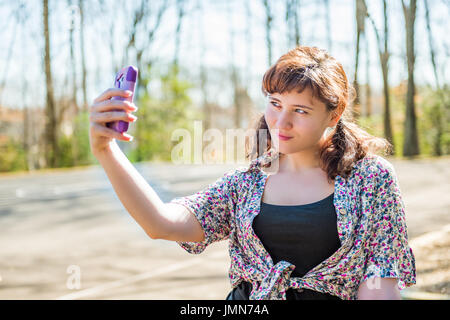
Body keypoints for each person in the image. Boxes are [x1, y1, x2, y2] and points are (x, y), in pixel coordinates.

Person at [88, 46, 416, 300]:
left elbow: (381, 285)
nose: (281, 123)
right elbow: (161, 224)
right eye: (275, 104)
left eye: (300, 111)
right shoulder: (245, 184)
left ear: (335, 114)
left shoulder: (371, 180)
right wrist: (106, 150)